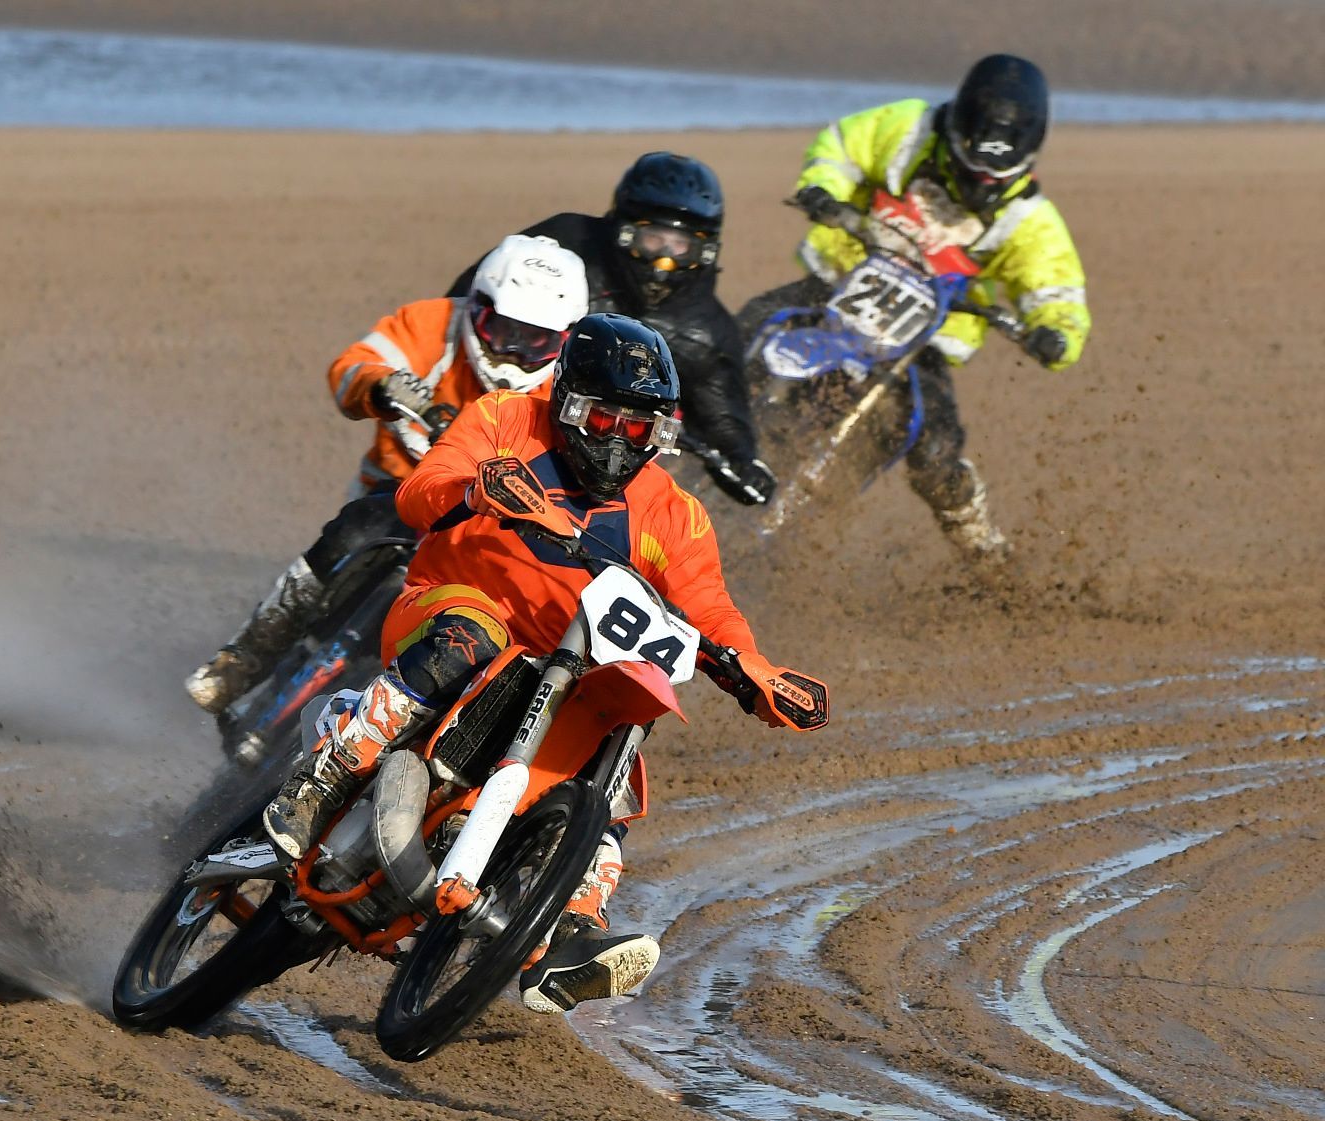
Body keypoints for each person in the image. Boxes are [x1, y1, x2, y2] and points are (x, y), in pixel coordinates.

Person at [262, 314, 829, 1012]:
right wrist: (474, 489)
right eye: (603, 419)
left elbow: (708, 607)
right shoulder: (504, 419)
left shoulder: (674, 515)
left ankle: (570, 928)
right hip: (451, 604)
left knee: (617, 762)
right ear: (565, 401)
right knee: (473, 631)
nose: (619, 441)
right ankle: (323, 778)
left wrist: (754, 670)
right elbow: (418, 491)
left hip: (565, 667)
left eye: (639, 429)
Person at [185, 235, 588, 717]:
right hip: (397, 495)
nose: (515, 352)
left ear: (563, 338)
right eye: (503, 330)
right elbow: (349, 367)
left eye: (537, 340)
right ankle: (242, 660)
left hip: (488, 530)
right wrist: (384, 384)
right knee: (351, 533)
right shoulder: (432, 323)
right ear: (477, 308)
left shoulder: (568, 385)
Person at [736, 54, 1091, 562]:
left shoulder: (1032, 221)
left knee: (935, 449)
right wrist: (823, 189)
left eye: (992, 181)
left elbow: (1057, 291)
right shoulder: (907, 127)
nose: (978, 185)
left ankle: (983, 552)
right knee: (734, 333)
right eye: (970, 171)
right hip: (837, 285)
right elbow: (841, 146)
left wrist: (1053, 333)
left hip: (921, 341)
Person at [447, 152, 777, 510]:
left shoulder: (706, 333)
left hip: (580, 463)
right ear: (623, 231)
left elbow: (723, 420)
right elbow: (472, 300)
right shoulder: (565, 242)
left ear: (707, 252)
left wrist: (743, 461)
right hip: (476, 404)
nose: (664, 260)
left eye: (682, 246)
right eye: (652, 239)